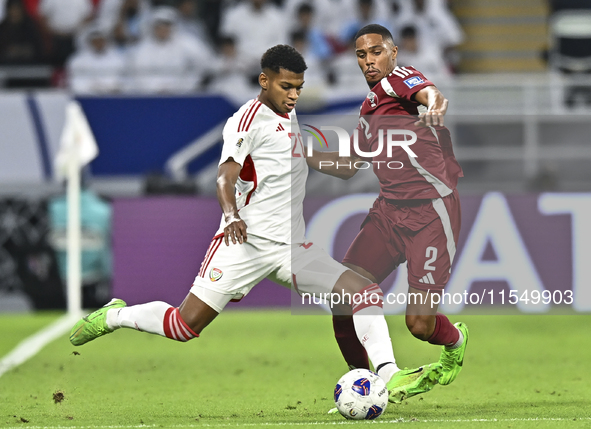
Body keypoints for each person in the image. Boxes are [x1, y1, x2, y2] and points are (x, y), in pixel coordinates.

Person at [69, 43, 441, 404]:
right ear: (264, 81)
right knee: (184, 327)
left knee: (364, 293)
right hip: (243, 245)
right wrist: (231, 215)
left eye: (298, 87)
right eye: (285, 86)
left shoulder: (288, 112)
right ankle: (115, 315)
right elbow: (224, 177)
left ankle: (390, 375)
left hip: (292, 248)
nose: (293, 95)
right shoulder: (245, 122)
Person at [307, 24, 469, 389]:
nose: (369, 60)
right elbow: (349, 167)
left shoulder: (400, 79)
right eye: (361, 55)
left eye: (376, 51)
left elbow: (432, 95)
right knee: (343, 295)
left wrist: (434, 108)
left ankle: (456, 341)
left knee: (419, 326)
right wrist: (301, 152)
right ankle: (364, 385)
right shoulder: (368, 109)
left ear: (393, 53)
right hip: (388, 213)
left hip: (431, 213)